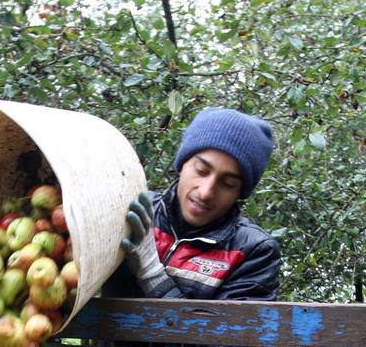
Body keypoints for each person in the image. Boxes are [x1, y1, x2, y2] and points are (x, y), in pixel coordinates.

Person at [110, 107, 280, 301]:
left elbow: (226, 330)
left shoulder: (254, 251)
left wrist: (151, 273)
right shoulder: (135, 210)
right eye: (201, 170)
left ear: (240, 192)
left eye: (228, 184)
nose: (206, 192)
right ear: (182, 165)